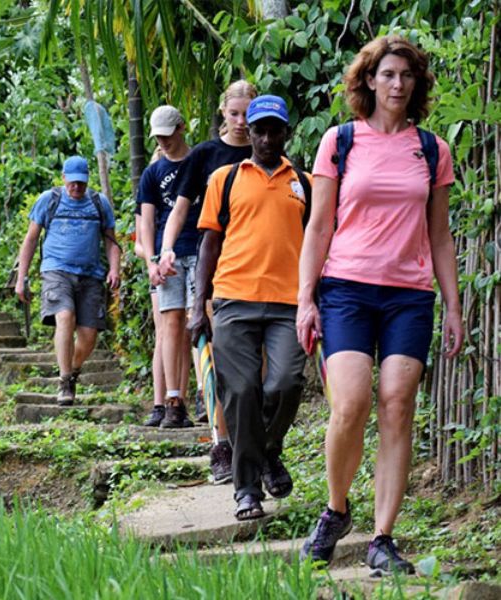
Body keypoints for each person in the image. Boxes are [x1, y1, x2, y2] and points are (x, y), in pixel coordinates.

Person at [296, 36, 462, 575]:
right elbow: (319, 225)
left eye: (407, 76)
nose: (397, 84)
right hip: (345, 287)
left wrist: (454, 308)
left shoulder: (433, 150)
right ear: (369, 80)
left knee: (397, 403)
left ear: (416, 85)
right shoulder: (340, 141)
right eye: (388, 74)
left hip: (409, 295)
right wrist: (305, 299)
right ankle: (337, 509)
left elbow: (440, 236)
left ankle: (383, 538)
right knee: (350, 403)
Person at [187, 95, 310, 521]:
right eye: (260, 130)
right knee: (239, 392)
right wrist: (196, 306)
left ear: (286, 133)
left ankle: (269, 451)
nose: (267, 137)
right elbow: (209, 245)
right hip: (233, 300)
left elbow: (318, 247)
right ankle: (246, 489)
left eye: (276, 129)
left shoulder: (305, 183)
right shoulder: (225, 178)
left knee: (286, 383)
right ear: (249, 134)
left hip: (289, 304)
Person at [158, 81, 257, 471]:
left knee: (252, 359)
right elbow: (181, 210)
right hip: (214, 260)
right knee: (211, 348)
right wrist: (166, 249)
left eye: (247, 114)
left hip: (258, 262)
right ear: (223, 113)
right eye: (234, 114)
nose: (241, 122)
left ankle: (252, 436)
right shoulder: (205, 155)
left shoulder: (266, 145)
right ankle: (222, 441)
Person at [15, 156, 121, 406]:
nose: (76, 187)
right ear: (63, 178)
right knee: (65, 316)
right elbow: (30, 239)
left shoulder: (98, 203)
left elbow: (111, 240)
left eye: (81, 183)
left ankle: (72, 370)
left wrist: (114, 269)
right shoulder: (49, 200)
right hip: (56, 270)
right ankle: (64, 381)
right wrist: (22, 277)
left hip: (91, 274)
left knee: (89, 335)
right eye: (72, 182)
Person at [137, 105, 194, 428]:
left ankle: (201, 396)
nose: (164, 142)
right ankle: (172, 400)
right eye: (158, 137)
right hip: (166, 256)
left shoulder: (198, 161)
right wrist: (151, 260)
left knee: (197, 325)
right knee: (170, 324)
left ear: (181, 128)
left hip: (197, 248)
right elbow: (145, 221)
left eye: (168, 135)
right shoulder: (152, 172)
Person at [134, 149, 167, 423]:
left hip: (183, 264)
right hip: (158, 270)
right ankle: (160, 403)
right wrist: (154, 259)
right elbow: (138, 245)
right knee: (164, 335)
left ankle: (204, 397)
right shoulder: (145, 197)